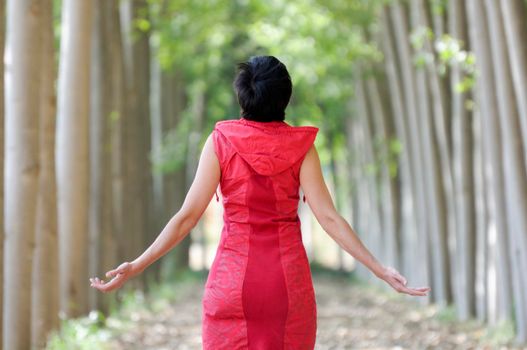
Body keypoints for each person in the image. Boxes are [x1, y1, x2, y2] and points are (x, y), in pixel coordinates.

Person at [90, 55, 431, 349]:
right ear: (285, 97)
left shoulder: (220, 141)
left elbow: (187, 217)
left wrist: (137, 265)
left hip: (231, 284)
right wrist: (380, 270)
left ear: (242, 98)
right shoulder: (302, 149)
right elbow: (329, 219)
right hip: (287, 287)